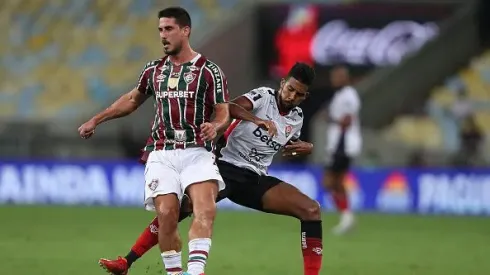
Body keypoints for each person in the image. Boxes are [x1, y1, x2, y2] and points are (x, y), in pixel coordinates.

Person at [99, 63, 323, 275]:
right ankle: (126, 261)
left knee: (311, 210)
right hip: (225, 166)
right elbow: (230, 107)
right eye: (290, 89)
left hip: (254, 178)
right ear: (282, 83)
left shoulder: (297, 118)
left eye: (299, 94)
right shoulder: (264, 97)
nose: (292, 96)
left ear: (306, 96)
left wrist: (307, 146)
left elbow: (290, 141)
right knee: (181, 207)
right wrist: (257, 120)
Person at [79, 7, 233, 275]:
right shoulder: (153, 70)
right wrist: (97, 119)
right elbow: (131, 100)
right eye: (160, 30)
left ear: (185, 31)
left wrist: (217, 126)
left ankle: (195, 272)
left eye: (169, 29)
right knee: (166, 215)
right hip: (162, 152)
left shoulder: (209, 71)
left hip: (197, 150)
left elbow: (223, 110)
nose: (163, 35)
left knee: (205, 208)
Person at [322, 65, 362, 235]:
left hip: (343, 145)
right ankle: (347, 217)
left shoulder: (348, 96)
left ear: (346, 78)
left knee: (330, 182)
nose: (334, 80)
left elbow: (346, 121)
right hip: (338, 144)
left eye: (338, 77)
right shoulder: (339, 95)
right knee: (336, 182)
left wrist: (331, 119)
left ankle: (347, 216)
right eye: (333, 77)